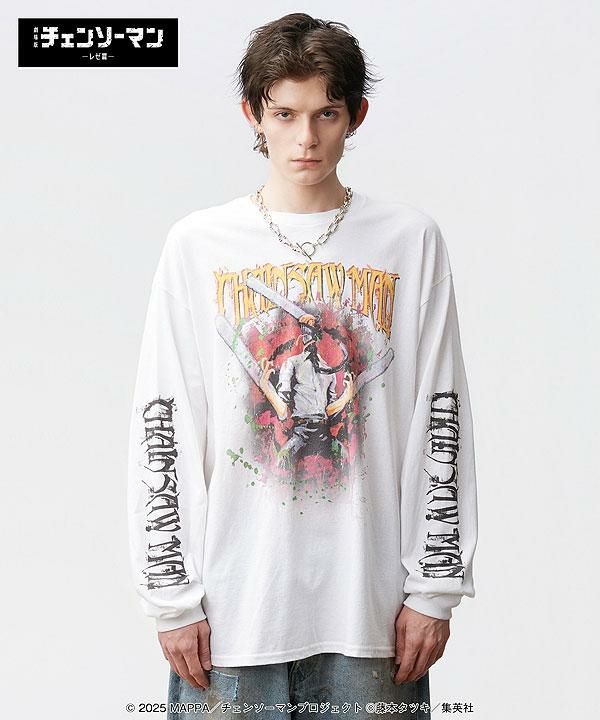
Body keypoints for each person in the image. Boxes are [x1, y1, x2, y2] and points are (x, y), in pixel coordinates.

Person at [127, 12, 478, 720]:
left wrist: (434, 588)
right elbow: (163, 421)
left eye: (326, 113)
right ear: (253, 114)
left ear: (356, 116)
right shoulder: (199, 245)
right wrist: (171, 597)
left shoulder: (409, 241)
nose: (306, 138)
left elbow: (440, 415)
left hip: (371, 615)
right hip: (232, 615)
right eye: (284, 114)